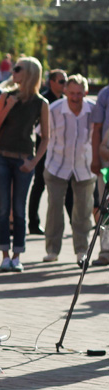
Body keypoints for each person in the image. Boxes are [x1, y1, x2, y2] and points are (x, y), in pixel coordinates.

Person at [0, 56, 50, 272]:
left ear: (30, 74)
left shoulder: (41, 103)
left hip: (25, 159)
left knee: (19, 209)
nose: (13, 72)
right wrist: (8, 106)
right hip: (1, 156)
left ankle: (18, 255)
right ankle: (5, 255)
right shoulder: (6, 96)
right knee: (4, 207)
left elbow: (45, 137)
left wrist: (34, 162)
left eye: (18, 69)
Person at [43, 75, 95, 265]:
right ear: (65, 92)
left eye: (79, 93)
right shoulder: (53, 109)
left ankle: (82, 250)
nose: (75, 97)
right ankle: (52, 249)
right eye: (71, 93)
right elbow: (42, 135)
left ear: (85, 93)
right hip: (57, 165)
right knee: (54, 207)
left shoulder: (93, 110)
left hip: (85, 166)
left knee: (83, 210)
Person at [30, 69, 69, 235]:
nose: (64, 85)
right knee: (39, 184)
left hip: (61, 152)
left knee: (67, 187)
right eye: (61, 81)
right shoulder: (44, 101)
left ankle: (74, 223)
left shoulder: (66, 101)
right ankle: (33, 223)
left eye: (65, 81)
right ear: (51, 82)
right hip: (44, 151)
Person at [91, 84, 109, 265]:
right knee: (106, 208)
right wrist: (95, 157)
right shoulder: (105, 94)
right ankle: (105, 250)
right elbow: (97, 128)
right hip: (107, 162)